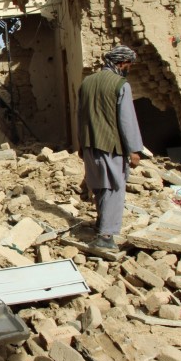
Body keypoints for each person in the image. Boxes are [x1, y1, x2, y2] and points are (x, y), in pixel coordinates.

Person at [77, 45, 144, 250]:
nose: (128, 69)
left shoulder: (87, 82)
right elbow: (127, 120)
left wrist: (81, 144)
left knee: (99, 186)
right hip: (111, 146)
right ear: (122, 63)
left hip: (89, 144)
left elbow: (80, 116)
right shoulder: (120, 84)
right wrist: (134, 149)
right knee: (114, 188)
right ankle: (106, 236)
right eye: (128, 65)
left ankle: (101, 224)